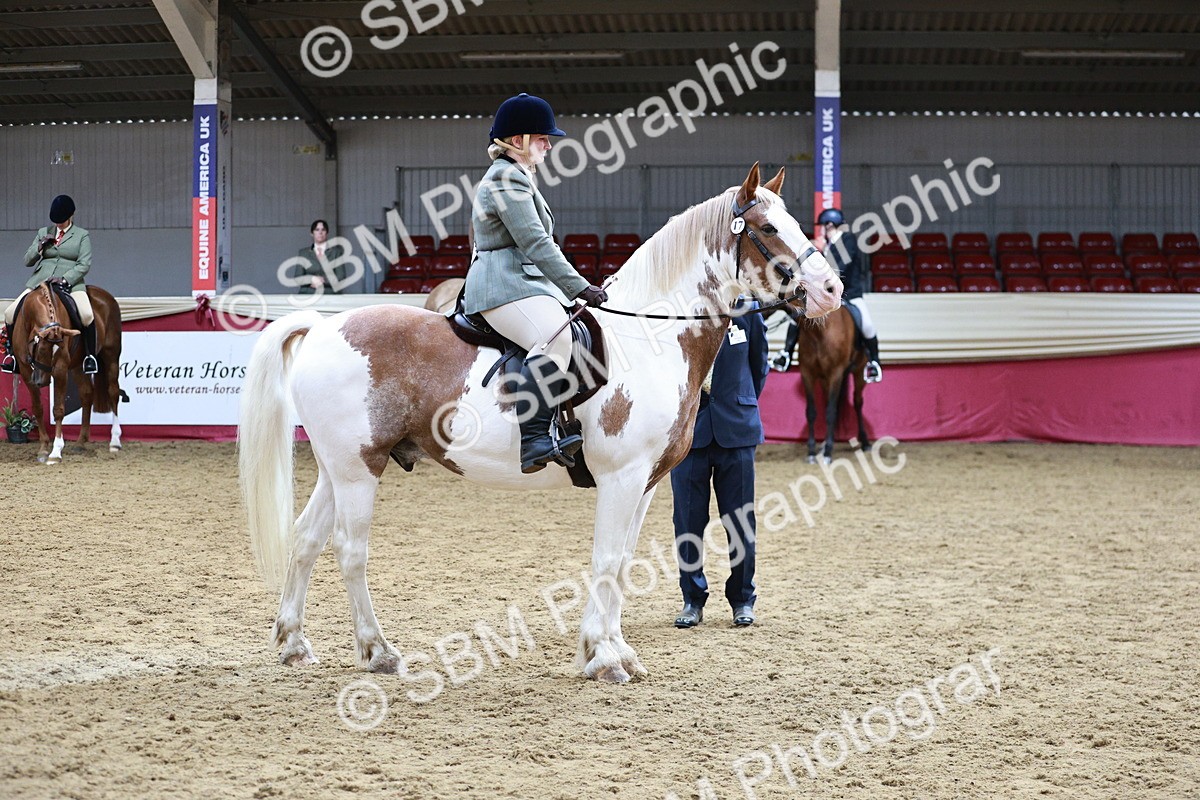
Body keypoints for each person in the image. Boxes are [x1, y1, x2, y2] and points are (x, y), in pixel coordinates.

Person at [463, 93, 609, 474]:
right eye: (542, 138)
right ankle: (535, 439)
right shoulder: (506, 178)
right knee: (554, 337)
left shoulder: (519, 176)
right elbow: (535, 242)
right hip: (502, 284)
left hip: (522, 282)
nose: (548, 144)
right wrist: (580, 286)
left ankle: (563, 422)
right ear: (517, 141)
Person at [671, 299, 768, 628]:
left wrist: (740, 402)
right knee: (687, 521)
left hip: (737, 431)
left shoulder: (749, 310)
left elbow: (759, 367)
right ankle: (692, 599)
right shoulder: (678, 310)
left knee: (740, 523)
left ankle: (742, 598)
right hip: (688, 434)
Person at [771, 208, 882, 382]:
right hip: (827, 297)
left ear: (830, 225)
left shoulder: (848, 241)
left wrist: (822, 252)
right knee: (798, 318)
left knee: (867, 326)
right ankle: (786, 353)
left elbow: (839, 270)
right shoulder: (827, 246)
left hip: (849, 296)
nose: (821, 230)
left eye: (822, 226)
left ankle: (874, 363)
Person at [3, 195, 97, 375]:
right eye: (56, 222)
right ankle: (13, 356)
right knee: (9, 314)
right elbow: (27, 261)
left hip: (70, 284)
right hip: (40, 282)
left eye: (62, 221)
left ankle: (89, 357)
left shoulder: (82, 235)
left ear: (71, 216)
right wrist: (39, 246)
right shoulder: (43, 232)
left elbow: (84, 264)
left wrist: (65, 279)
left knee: (86, 315)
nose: (59, 225)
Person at [295, 219, 346, 294]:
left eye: (323, 230)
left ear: (327, 233)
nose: (320, 232)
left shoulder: (336, 252)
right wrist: (311, 279)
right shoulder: (303, 253)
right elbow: (298, 278)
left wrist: (322, 280)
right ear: (312, 233)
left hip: (330, 295)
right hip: (307, 295)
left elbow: (341, 277)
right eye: (317, 230)